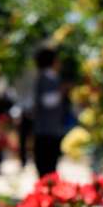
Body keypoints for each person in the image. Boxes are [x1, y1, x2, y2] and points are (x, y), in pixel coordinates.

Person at [32, 45, 67, 176]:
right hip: (47, 130)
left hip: (46, 129)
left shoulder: (46, 76)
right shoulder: (48, 76)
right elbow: (47, 101)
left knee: (45, 166)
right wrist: (62, 91)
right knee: (47, 167)